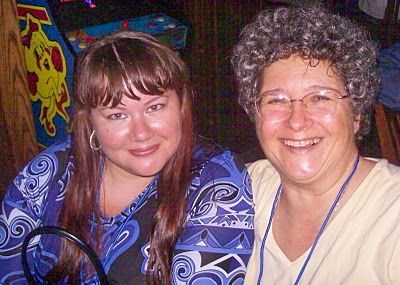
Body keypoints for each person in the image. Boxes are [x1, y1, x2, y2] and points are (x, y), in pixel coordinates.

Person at [0, 31, 254, 284]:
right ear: (90, 123)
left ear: (182, 106)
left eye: (154, 107)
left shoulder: (218, 184)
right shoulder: (52, 168)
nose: (141, 133)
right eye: (117, 115)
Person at [231, 5, 400, 285]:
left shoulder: (392, 218)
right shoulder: (234, 192)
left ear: (356, 113)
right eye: (276, 100)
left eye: (320, 98)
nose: (297, 121)